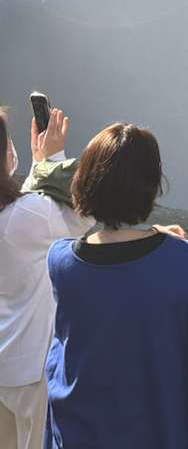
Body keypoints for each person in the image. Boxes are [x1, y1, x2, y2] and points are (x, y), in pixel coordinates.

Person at [44, 122, 188, 449]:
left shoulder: (60, 261)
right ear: (152, 185)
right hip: (161, 431)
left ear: (84, 180)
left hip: (78, 431)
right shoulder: (187, 262)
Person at [0, 107, 92, 449]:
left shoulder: (21, 217)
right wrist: (53, 157)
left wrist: (41, 166)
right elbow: (81, 215)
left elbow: (24, 214)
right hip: (31, 367)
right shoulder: (27, 217)